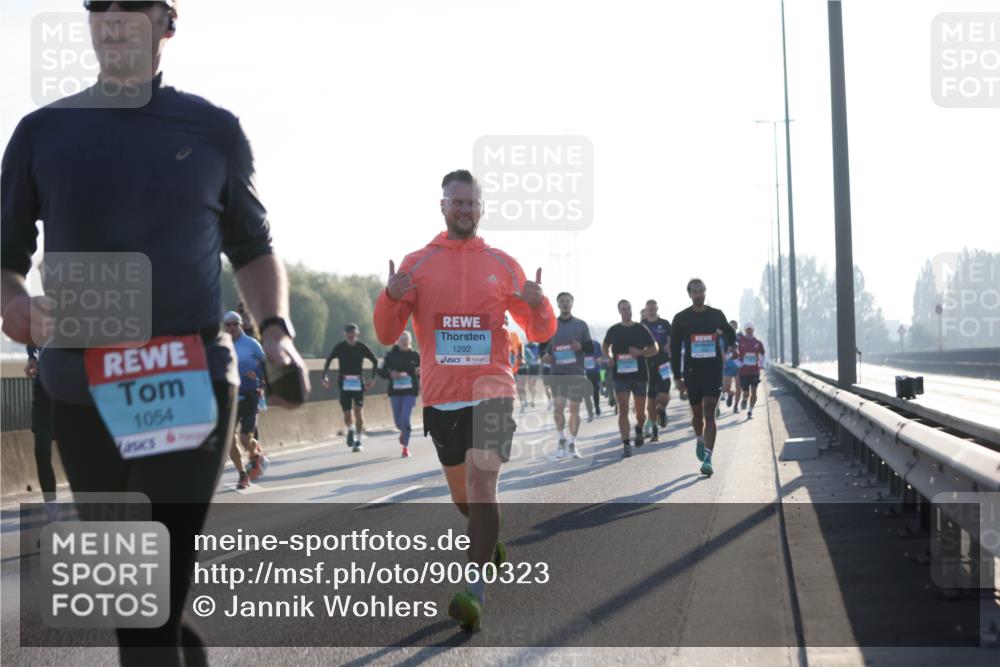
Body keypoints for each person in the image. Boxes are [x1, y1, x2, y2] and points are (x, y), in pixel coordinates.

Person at [0, 2, 308, 662]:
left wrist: (277, 331)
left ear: (167, 23)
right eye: (98, 6)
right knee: (135, 600)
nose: (112, 18)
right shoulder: (39, 133)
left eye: (131, 6)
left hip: (184, 375)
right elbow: (5, 259)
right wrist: (13, 301)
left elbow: (252, 247)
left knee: (149, 598)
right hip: (82, 389)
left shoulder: (213, 131)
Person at [373, 169, 556, 632]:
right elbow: (387, 332)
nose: (464, 210)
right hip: (441, 395)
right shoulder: (417, 264)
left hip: (493, 386)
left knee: (483, 486)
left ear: (481, 207)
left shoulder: (501, 262)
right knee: (464, 498)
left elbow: (538, 332)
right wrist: (389, 297)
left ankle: (473, 593)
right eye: (457, 202)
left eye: (471, 203)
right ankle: (487, 539)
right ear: (442, 206)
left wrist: (538, 304)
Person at [670, 279, 737, 477]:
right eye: (695, 292)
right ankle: (699, 438)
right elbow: (674, 349)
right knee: (697, 415)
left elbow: (731, 335)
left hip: (713, 369)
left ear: (705, 292)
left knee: (710, 411)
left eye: (702, 291)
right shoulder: (681, 318)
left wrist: (731, 343)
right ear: (689, 294)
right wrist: (677, 377)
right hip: (692, 371)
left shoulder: (716, 315)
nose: (699, 295)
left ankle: (708, 458)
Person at [602, 300, 658, 457]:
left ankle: (639, 428)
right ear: (619, 311)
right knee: (623, 408)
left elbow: (655, 348)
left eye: (629, 308)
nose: (627, 311)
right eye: (623, 309)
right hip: (621, 375)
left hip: (640, 375)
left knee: (641, 413)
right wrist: (609, 357)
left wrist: (640, 352)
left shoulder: (641, 328)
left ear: (632, 310)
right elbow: (605, 346)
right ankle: (626, 444)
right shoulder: (614, 330)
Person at [540, 292, 592, 459]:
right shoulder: (551, 324)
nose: (565, 304)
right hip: (558, 374)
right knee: (559, 408)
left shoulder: (581, 325)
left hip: (576, 373)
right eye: (561, 301)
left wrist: (580, 347)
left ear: (572, 303)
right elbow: (542, 347)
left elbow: (590, 349)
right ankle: (561, 440)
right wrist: (544, 356)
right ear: (558, 304)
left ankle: (572, 443)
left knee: (574, 410)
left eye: (567, 301)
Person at [225, 311, 268, 490]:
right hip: (229, 398)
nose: (232, 327)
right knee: (229, 440)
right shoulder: (220, 346)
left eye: (235, 323)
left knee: (244, 439)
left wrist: (257, 375)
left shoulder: (251, 344)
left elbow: (267, 366)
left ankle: (257, 454)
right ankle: (243, 475)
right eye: (228, 324)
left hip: (250, 395)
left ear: (241, 324)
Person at [322, 323, 379, 452]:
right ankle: (351, 429)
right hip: (344, 383)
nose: (351, 335)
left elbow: (375, 360)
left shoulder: (362, 347)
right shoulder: (340, 347)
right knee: (347, 414)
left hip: (358, 383)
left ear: (357, 333)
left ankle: (358, 441)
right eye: (348, 333)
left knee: (358, 410)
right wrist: (324, 375)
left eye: (353, 333)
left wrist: (373, 378)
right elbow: (329, 359)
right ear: (345, 334)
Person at [25, 346, 58, 520]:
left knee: (81, 453)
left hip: (73, 387)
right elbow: (31, 331)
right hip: (43, 391)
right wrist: (31, 356)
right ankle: (52, 514)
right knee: (42, 450)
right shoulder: (38, 319)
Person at [377, 331, 421, 457]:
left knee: (405, 418)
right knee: (398, 422)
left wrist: (419, 372)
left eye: (406, 339)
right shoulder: (390, 355)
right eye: (401, 339)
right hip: (395, 392)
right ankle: (403, 431)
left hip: (410, 392)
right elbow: (380, 370)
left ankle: (405, 448)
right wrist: (390, 374)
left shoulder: (415, 355)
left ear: (410, 341)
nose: (404, 341)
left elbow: (424, 370)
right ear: (397, 341)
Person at [640, 299, 673, 442]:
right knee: (651, 401)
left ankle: (663, 410)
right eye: (649, 309)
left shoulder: (665, 323)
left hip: (663, 364)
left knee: (663, 396)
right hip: (647, 366)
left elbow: (672, 339)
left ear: (657, 308)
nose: (652, 310)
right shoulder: (641, 326)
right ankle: (654, 430)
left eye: (654, 308)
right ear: (645, 311)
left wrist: (669, 346)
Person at [736, 323, 766, 419]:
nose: (749, 331)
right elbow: (733, 352)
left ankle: (750, 411)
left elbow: (763, 354)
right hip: (743, 371)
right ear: (745, 331)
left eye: (751, 330)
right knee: (746, 392)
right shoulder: (740, 341)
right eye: (747, 330)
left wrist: (762, 364)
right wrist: (738, 363)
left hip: (754, 371)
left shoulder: (757, 342)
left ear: (753, 330)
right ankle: (744, 399)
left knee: (754, 391)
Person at [582, 339, 603, 420]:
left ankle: (597, 406)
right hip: (585, 372)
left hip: (595, 371)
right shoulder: (581, 344)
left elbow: (600, 357)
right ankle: (590, 412)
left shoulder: (597, 344)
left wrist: (597, 360)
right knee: (586, 394)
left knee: (595, 392)